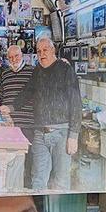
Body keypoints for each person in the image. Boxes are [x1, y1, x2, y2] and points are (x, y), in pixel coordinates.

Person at [20, 34, 81, 190]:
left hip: (62, 133)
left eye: (45, 50)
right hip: (40, 132)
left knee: (60, 181)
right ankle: (40, 206)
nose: (42, 54)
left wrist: (73, 136)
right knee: (37, 180)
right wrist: (10, 107)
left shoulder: (65, 69)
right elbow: (27, 93)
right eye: (39, 51)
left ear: (53, 51)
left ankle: (57, 207)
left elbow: (76, 102)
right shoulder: (37, 71)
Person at [0, 43, 35, 143]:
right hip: (8, 122)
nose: (14, 59)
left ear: (22, 55)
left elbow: (34, 94)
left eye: (16, 56)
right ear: (7, 58)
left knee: (26, 151)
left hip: (26, 123)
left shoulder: (33, 71)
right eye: (10, 57)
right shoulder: (5, 74)